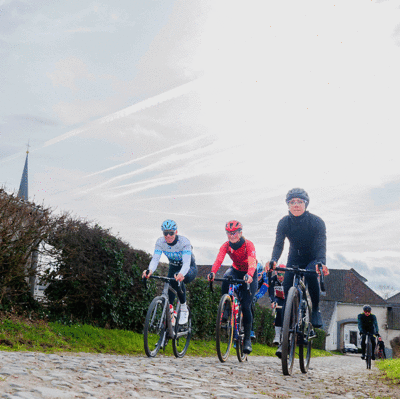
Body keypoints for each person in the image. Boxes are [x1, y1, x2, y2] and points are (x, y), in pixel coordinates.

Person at [268, 188, 329, 329]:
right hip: (294, 257)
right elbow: (279, 244)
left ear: (306, 204)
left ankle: (315, 310)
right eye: (292, 202)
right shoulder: (284, 222)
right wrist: (274, 259)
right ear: (288, 205)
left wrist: (321, 262)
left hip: (313, 258)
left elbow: (321, 245)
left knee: (310, 274)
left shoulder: (317, 222)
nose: (296, 205)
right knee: (286, 287)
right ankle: (285, 334)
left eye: (300, 202)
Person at [208, 220, 258, 354]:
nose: (232, 236)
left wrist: (250, 275)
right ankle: (225, 308)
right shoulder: (226, 245)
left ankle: (247, 339)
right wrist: (212, 272)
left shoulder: (248, 245)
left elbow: (252, 262)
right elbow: (219, 259)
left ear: (240, 233)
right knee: (225, 278)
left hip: (249, 273)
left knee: (246, 305)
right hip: (235, 270)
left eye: (234, 233)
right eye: (229, 233)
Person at [142, 219, 197, 325]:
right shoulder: (160, 242)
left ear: (176, 232)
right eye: (165, 233)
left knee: (179, 280)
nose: (168, 236)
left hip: (189, 267)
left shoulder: (184, 242)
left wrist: (181, 274)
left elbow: (186, 263)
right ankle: (171, 314)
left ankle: (184, 308)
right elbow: (155, 259)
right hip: (173, 267)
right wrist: (149, 270)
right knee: (170, 287)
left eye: (171, 233)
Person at [268, 264, 286, 345]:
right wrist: (272, 301)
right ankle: (277, 335)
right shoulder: (273, 280)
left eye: (283, 274)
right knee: (279, 311)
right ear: (276, 273)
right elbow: (271, 292)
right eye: (279, 274)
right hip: (279, 297)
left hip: (288, 298)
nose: (280, 276)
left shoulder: (289, 280)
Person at [250, 262, 269, 338]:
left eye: (258, 275)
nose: (257, 278)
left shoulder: (265, 276)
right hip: (247, 288)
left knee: (250, 307)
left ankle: (251, 330)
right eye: (255, 276)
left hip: (253, 293)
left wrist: (256, 297)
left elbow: (263, 289)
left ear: (262, 273)